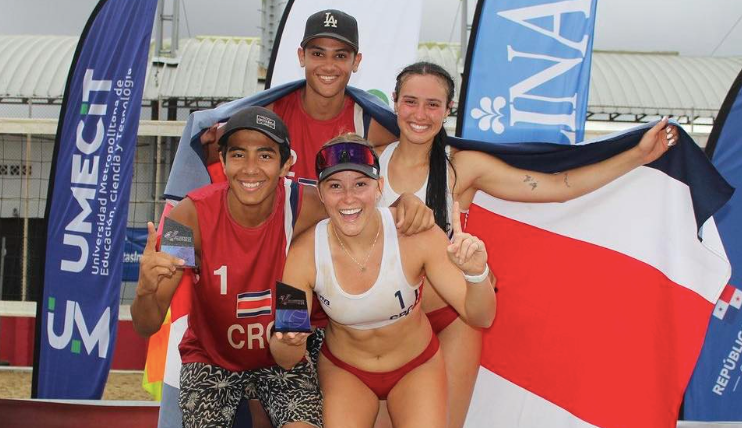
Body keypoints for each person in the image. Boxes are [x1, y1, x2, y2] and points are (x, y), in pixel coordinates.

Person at [373, 61, 680, 427]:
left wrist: (638, 156)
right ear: (394, 102)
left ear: (448, 109)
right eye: (410, 101)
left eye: (433, 104)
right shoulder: (369, 164)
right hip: (390, 319)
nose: (420, 114)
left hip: (454, 316)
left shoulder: (463, 167)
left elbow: (557, 187)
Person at [132, 106, 434, 428]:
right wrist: (146, 289)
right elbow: (146, 324)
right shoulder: (187, 218)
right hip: (213, 358)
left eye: (264, 156)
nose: (250, 169)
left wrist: (405, 202)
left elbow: (364, 211)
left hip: (286, 354)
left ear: (286, 164)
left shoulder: (307, 205)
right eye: (238, 155)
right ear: (222, 162)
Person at [269, 136, 497, 427]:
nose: (348, 198)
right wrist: (288, 340)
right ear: (321, 193)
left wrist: (476, 274)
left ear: (379, 187)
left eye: (360, 184)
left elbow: (482, 316)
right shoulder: (303, 254)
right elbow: (287, 358)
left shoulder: (416, 235)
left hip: (416, 367)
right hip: (346, 372)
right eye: (335, 186)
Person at [202, 9, 396, 183]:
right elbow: (200, 155)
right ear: (302, 56)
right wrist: (203, 140)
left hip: (339, 222)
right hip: (279, 224)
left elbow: (415, 159)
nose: (328, 66)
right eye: (318, 54)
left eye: (340, 56)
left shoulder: (369, 124)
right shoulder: (271, 113)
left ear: (356, 61)